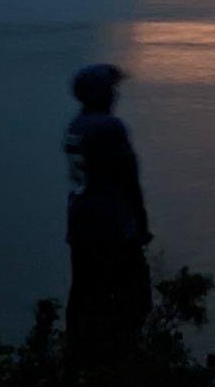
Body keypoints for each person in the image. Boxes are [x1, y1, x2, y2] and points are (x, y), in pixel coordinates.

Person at [62, 63, 152, 368]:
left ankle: (79, 360)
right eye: (111, 88)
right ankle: (120, 365)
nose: (116, 94)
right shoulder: (109, 127)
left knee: (85, 295)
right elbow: (129, 177)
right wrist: (141, 221)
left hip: (80, 224)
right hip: (110, 225)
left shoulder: (76, 126)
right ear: (100, 93)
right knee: (135, 297)